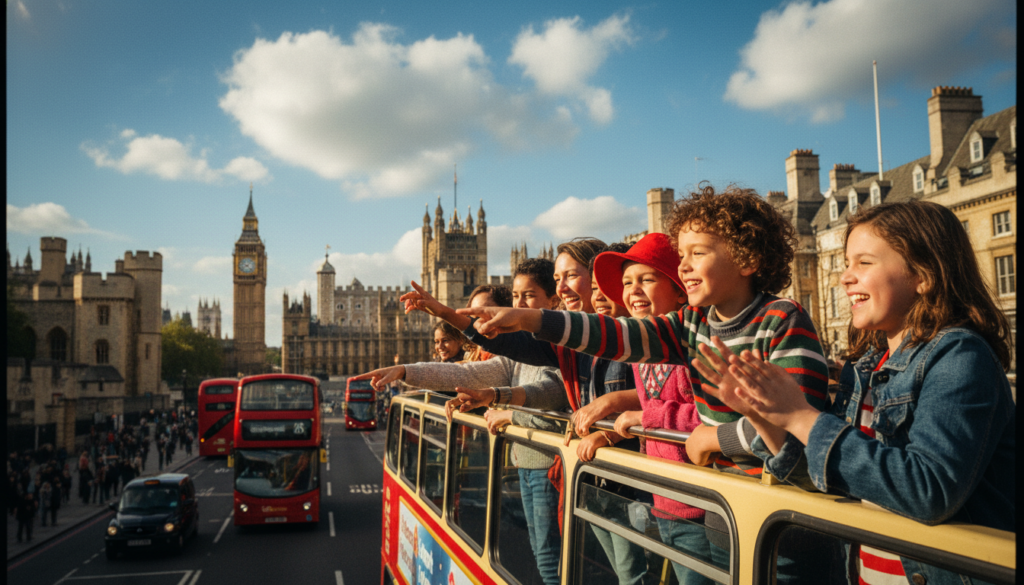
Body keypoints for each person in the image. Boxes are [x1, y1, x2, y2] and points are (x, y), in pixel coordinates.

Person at [459, 185, 830, 577]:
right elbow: (616, 336)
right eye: (681, 255)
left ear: (748, 258)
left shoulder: (782, 320)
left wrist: (712, 438)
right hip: (724, 513)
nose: (683, 266)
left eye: (696, 253)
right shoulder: (693, 323)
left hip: (783, 524)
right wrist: (532, 320)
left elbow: (799, 433)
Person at [698, 200, 1015, 585]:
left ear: (924, 275)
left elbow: (928, 490)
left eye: (864, 263)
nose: (846, 277)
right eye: (846, 264)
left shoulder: (959, 355)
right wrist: (767, 417)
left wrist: (802, 416)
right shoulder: (865, 366)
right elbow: (829, 478)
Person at [357, 271, 565, 585]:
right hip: (524, 460)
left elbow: (551, 391)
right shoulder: (520, 354)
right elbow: (469, 374)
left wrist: (502, 403)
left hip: (547, 464)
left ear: (553, 301)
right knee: (540, 553)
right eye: (517, 296)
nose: (521, 304)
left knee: (549, 560)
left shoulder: (553, 344)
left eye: (529, 296)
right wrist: (405, 371)